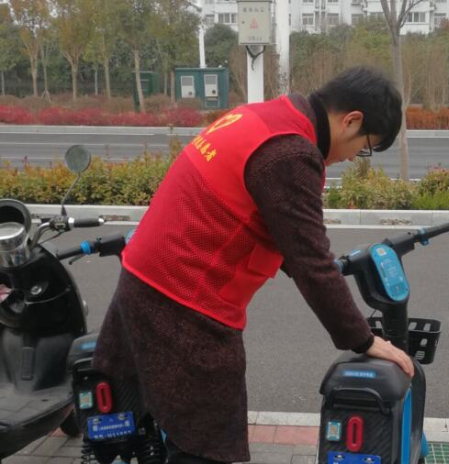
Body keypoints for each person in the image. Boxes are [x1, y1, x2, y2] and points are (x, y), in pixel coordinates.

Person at [93, 65, 413, 464]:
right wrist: (363, 340)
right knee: (204, 445)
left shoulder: (264, 116)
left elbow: (278, 232)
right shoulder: (291, 152)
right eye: (364, 147)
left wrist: (321, 271)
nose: (352, 158)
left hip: (149, 280)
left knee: (170, 429)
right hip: (183, 301)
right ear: (351, 120)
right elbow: (310, 261)